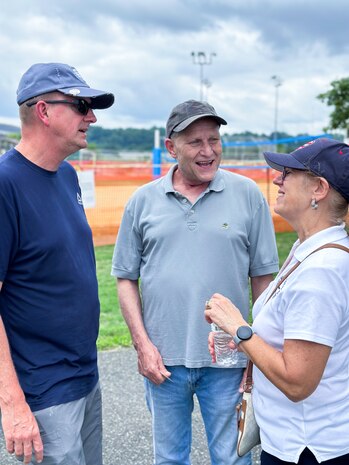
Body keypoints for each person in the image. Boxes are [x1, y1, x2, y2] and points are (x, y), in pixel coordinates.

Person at [111, 99, 279, 465]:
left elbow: (263, 279)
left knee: (232, 459)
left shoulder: (248, 195)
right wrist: (142, 346)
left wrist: (257, 351)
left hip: (230, 359)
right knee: (169, 459)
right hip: (163, 362)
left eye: (214, 140)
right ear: (171, 147)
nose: (208, 151)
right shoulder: (141, 202)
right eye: (196, 142)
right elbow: (125, 279)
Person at [205, 137, 349, 465]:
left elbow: (298, 382)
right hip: (295, 442)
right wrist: (245, 345)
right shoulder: (307, 250)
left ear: (319, 189)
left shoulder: (321, 272)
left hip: (308, 449)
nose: (276, 179)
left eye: (288, 173)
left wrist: (240, 329)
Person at [0, 62, 114, 465]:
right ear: (44, 111)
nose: (92, 117)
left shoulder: (66, 176)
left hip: (85, 374)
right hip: (43, 389)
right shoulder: (5, 184)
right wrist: (12, 403)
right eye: (82, 105)